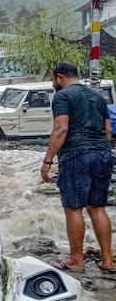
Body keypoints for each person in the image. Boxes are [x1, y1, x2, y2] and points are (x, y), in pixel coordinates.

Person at [41, 62, 115, 274]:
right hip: (103, 154)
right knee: (97, 207)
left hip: (77, 155)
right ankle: (107, 260)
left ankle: (76, 260)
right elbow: (108, 130)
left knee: (73, 208)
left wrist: (48, 161)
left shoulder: (63, 96)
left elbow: (61, 129)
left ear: (59, 77)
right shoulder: (98, 97)